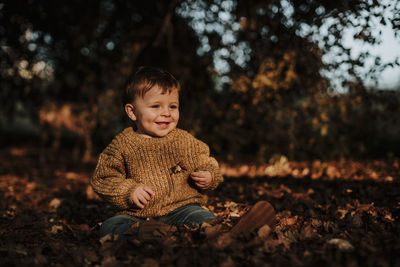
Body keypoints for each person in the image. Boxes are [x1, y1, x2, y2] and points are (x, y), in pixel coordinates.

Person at [91, 66, 276, 242]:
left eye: (173, 106)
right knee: (110, 226)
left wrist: (209, 176)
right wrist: (129, 191)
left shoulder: (184, 141)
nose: (166, 113)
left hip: (183, 208)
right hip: (136, 215)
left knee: (203, 217)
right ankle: (148, 235)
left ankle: (228, 235)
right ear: (132, 112)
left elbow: (207, 161)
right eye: (156, 106)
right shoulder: (122, 144)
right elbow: (103, 178)